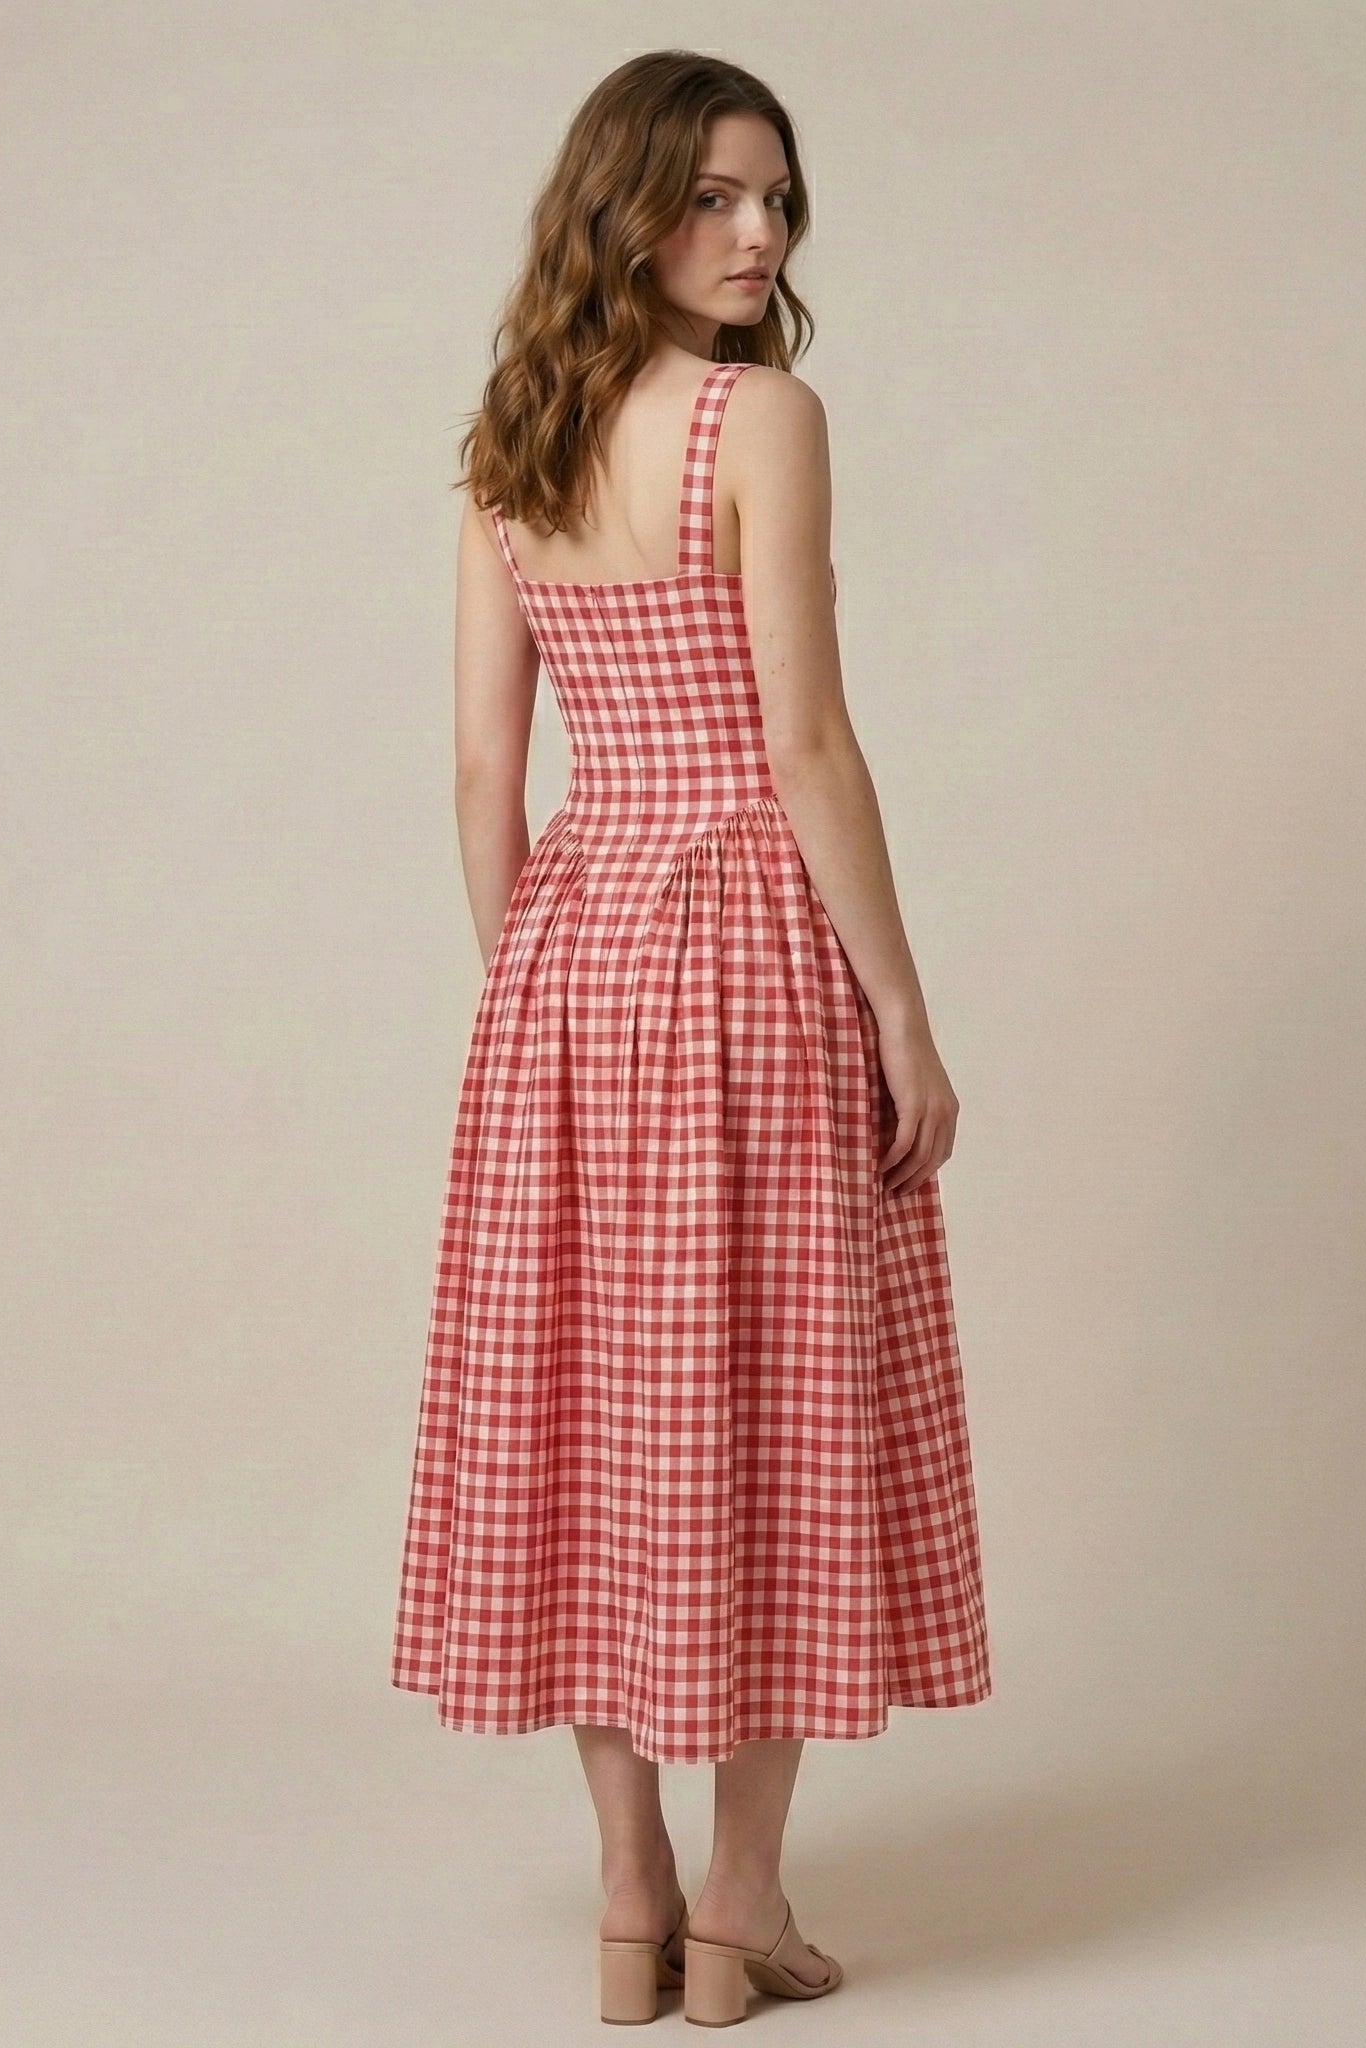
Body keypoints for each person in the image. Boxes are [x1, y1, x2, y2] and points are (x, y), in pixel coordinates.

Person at [389, 49, 992, 2026]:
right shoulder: (762, 420)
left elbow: (487, 767)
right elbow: (805, 740)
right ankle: (737, 1901)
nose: (759, 236)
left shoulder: (509, 435)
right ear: (625, 205)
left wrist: (531, 1001)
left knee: (601, 1417)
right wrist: (902, 1008)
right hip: (745, 928)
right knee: (772, 1405)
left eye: (778, 201)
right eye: (718, 198)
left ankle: (631, 1907)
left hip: (573, 949)